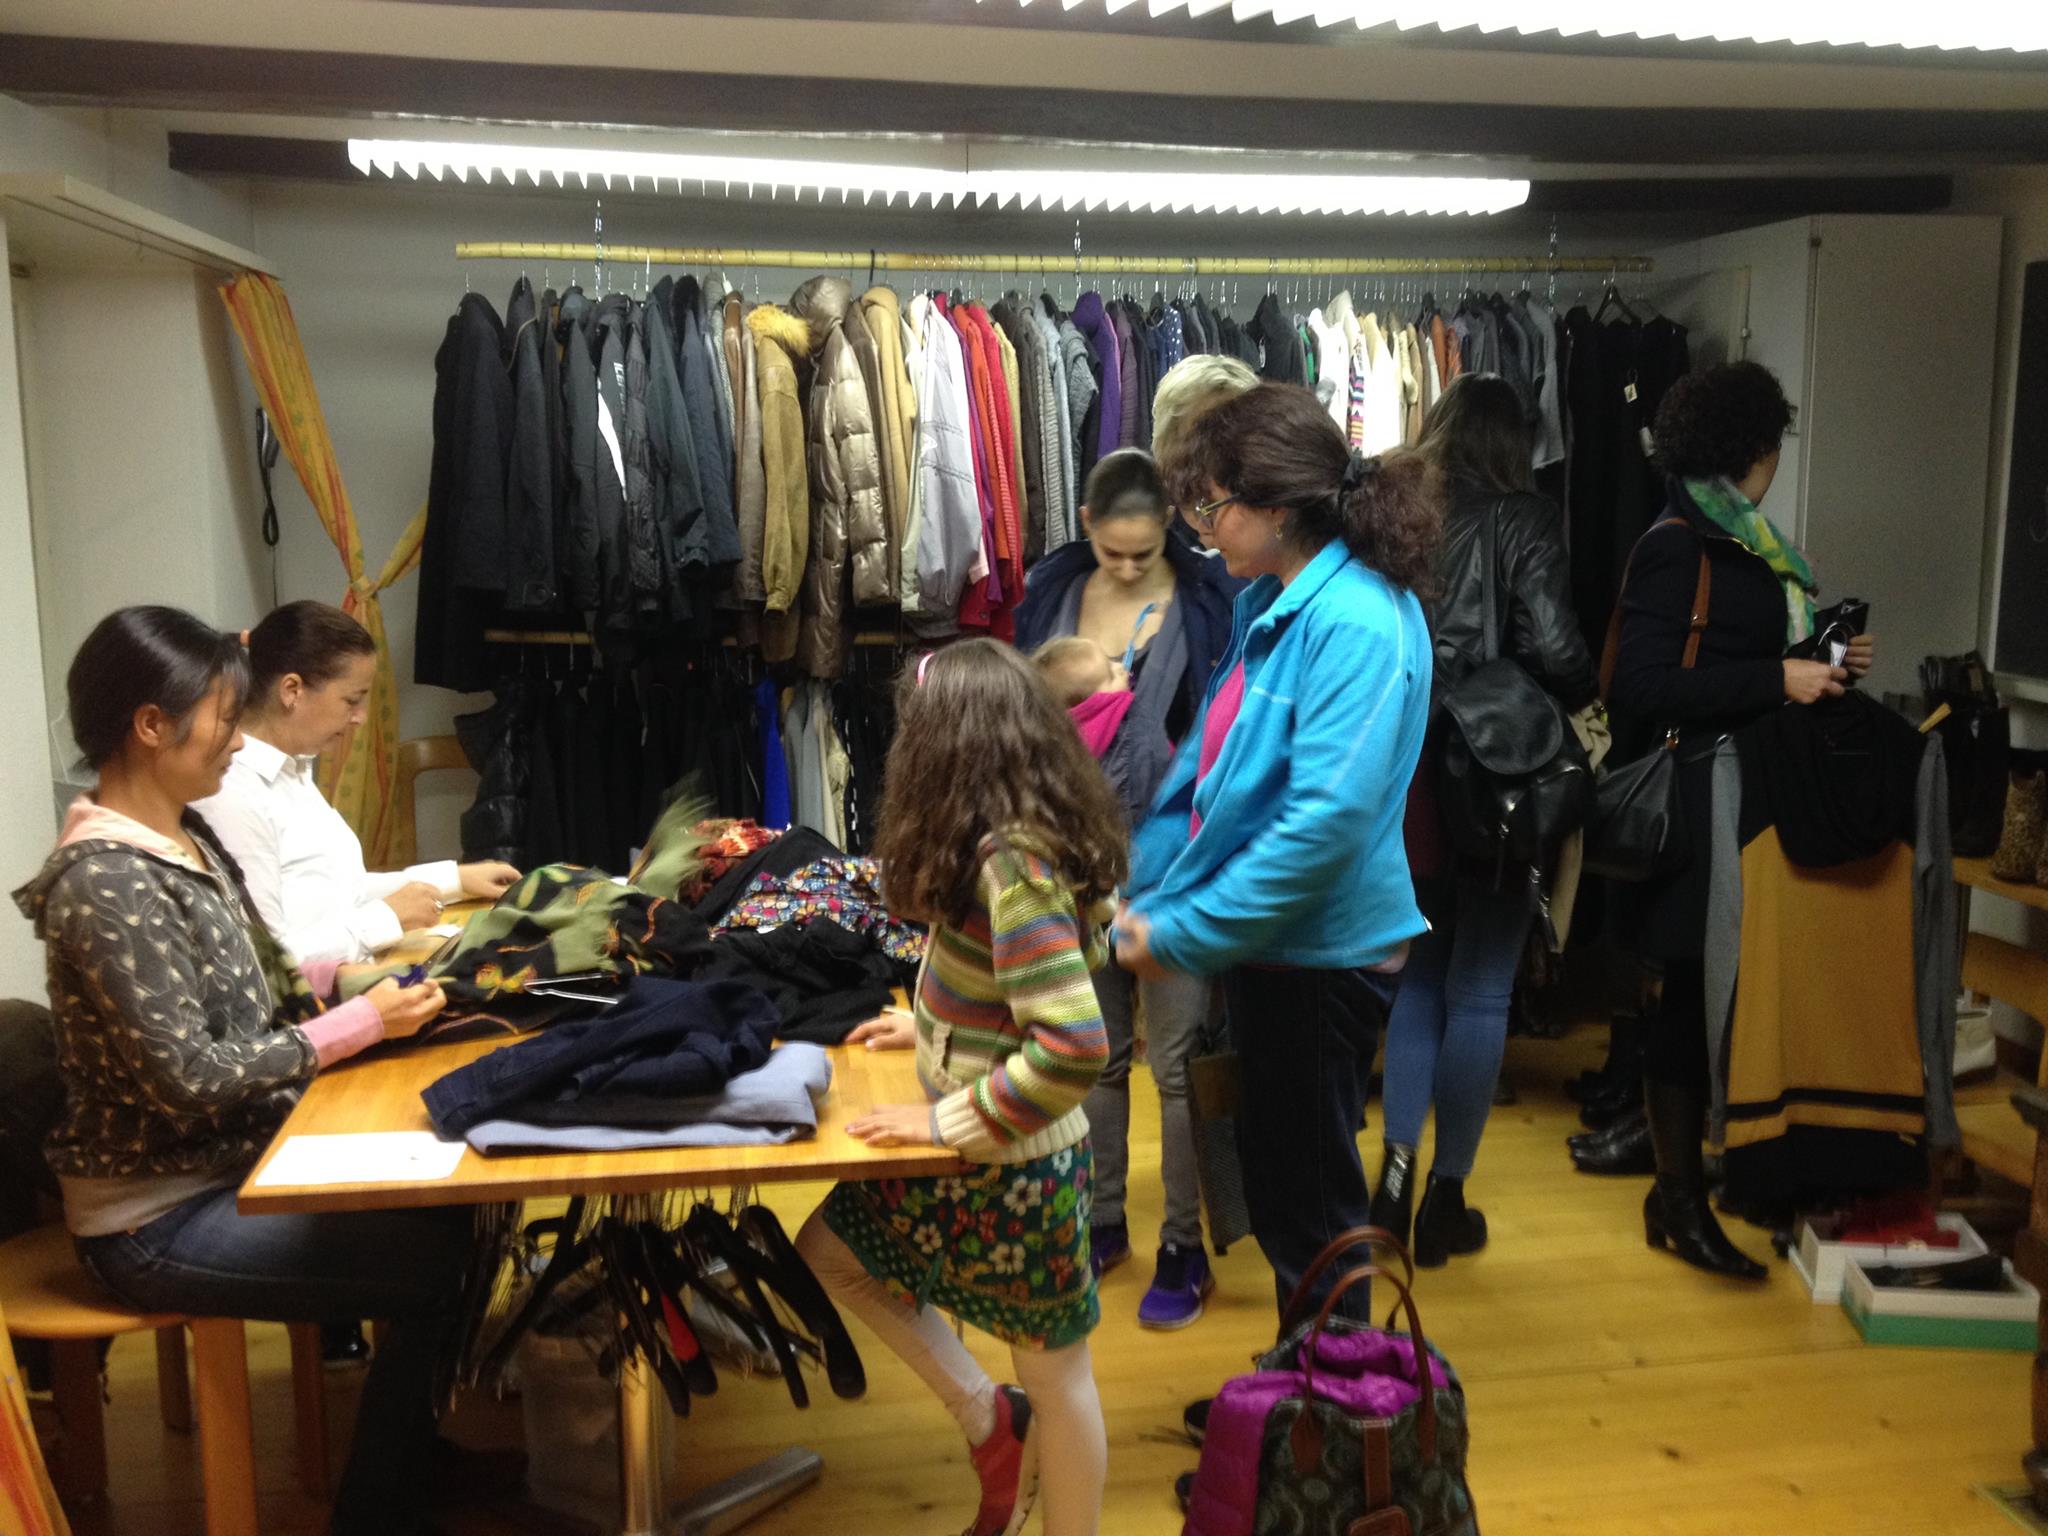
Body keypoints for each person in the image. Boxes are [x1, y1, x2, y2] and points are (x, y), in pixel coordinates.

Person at [14, 606, 468, 1536]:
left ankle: (410, 1456)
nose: (237, 737)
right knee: (438, 1265)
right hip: (153, 1218)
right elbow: (186, 1074)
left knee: (454, 1209)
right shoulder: (106, 880)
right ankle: (382, 1508)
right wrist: (354, 1025)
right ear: (152, 724)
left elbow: (255, 975)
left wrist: (349, 984)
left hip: (225, 1170)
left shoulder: (186, 838)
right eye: (224, 716)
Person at [1115, 382, 1440, 1326]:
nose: (1201, 526)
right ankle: (1302, 1383)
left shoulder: (1357, 622)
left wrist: (1181, 933)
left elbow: (1322, 827)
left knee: (1315, 1214)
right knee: (1286, 1195)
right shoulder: (1282, 603)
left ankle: (1332, 1399)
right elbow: (1213, 777)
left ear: (1278, 506)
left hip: (1323, 958)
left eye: (1213, 505)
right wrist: (1140, 883)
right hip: (1278, 950)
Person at [794, 639, 1120, 1536]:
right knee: (829, 1252)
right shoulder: (1003, 841)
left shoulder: (1016, 863)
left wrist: (950, 1117)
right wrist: (933, 1029)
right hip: (981, 1160)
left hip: (1016, 1168)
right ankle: (991, 1422)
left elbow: (1073, 1047)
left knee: (1058, 1380)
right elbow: (1005, 986)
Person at [1608, 361, 1874, 1279]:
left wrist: (1822, 655)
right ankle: (1678, 1200)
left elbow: (1736, 652)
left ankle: (1685, 1192)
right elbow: (1638, 685)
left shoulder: (1749, 544)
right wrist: (1776, 677)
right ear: (1752, 448)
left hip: (1740, 796)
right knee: (1688, 1000)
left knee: (1711, 998)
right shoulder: (1681, 543)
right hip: (1692, 806)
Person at [1372, 373, 1598, 1265]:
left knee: (1421, 977)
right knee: (1483, 985)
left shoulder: (1399, 512)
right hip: (1494, 775)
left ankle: (1390, 1183)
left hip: (1409, 772)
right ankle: (1446, 1203)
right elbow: (1559, 653)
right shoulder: (1526, 519)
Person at [1015, 446, 1237, 1327]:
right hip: (1077, 868)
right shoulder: (1052, 598)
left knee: (1177, 1065)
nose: (1131, 566)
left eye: (1146, 552)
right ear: (1086, 527)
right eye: (1114, 551)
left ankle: (1185, 1246)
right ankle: (1102, 1220)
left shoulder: (1210, 602)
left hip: (1179, 869)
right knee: (1098, 1055)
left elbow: (1226, 734)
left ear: (1170, 529)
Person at [196, 600, 520, 966]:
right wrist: (386, 918)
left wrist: (453, 880)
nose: (360, 718)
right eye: (351, 701)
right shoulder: (233, 793)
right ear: (292, 690)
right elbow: (264, 962)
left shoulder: (292, 770)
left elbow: (340, 892)